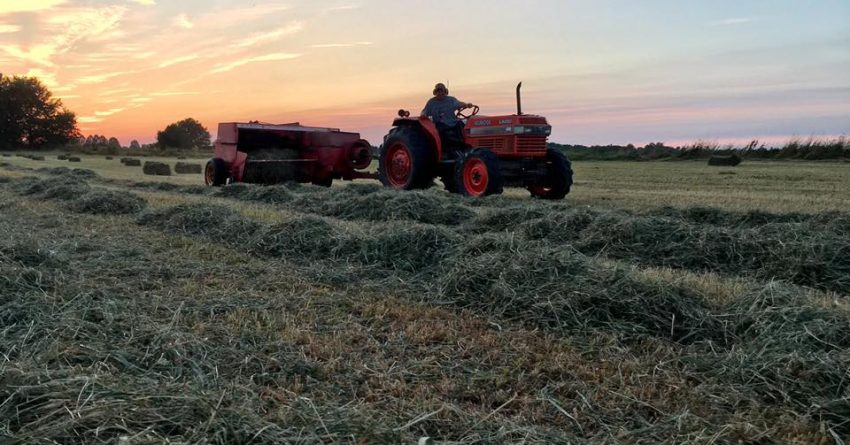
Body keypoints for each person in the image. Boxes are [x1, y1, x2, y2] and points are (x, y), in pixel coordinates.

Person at [420, 83, 475, 148]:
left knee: (462, 126)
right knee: (441, 132)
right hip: (440, 124)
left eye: (442, 91)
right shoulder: (431, 102)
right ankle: (445, 149)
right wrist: (423, 115)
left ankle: (464, 146)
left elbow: (459, 104)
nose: (440, 93)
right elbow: (424, 111)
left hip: (453, 122)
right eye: (438, 91)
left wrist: (466, 105)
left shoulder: (451, 100)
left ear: (445, 92)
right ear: (435, 92)